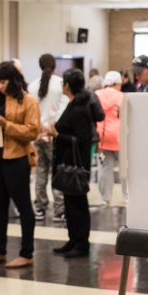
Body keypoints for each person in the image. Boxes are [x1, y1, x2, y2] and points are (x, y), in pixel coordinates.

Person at [0, 62, 40, 268]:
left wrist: (6, 124)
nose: (0, 86)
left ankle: (26, 253)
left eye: (3, 81)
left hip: (16, 159)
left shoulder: (28, 101)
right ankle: (0, 251)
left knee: (23, 207)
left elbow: (32, 131)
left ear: (13, 79)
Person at [43, 69, 95, 258]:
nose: (61, 85)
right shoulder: (72, 104)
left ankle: (82, 243)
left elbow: (82, 139)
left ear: (67, 85)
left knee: (78, 205)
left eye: (63, 82)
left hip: (76, 164)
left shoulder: (80, 108)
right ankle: (73, 239)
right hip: (68, 162)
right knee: (69, 203)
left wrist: (58, 135)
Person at [28, 54, 66, 220]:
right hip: (53, 134)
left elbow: (32, 111)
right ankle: (59, 209)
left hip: (37, 134)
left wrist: (40, 128)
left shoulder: (32, 86)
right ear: (55, 66)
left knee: (41, 170)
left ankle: (40, 208)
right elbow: (63, 110)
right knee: (57, 170)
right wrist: (51, 128)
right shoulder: (60, 84)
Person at [95, 72, 124, 207]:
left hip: (103, 134)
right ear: (117, 83)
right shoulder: (121, 96)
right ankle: (128, 196)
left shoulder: (97, 94)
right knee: (125, 168)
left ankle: (105, 198)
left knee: (105, 168)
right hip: (119, 134)